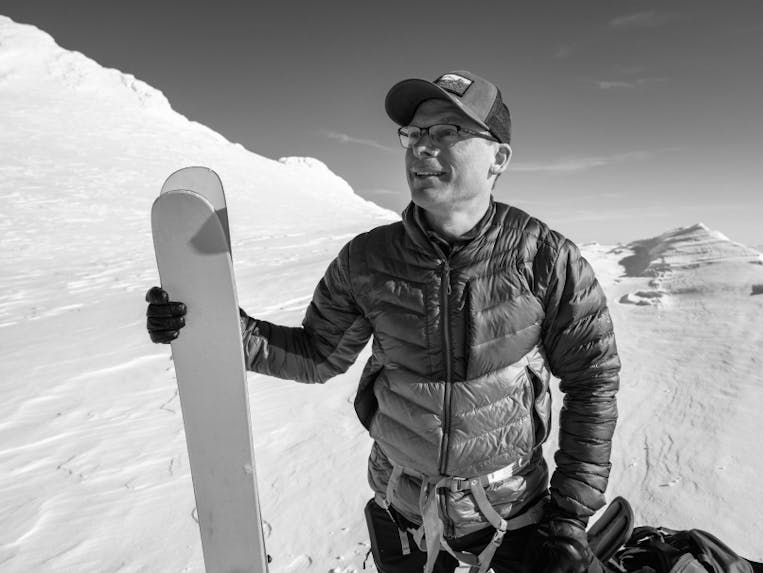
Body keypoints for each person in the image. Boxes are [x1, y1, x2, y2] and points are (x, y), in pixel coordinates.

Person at [146, 70, 620, 573]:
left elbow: (594, 380)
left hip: (513, 515)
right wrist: (218, 327)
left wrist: (569, 517)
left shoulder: (545, 258)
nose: (420, 149)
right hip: (403, 510)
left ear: (498, 158)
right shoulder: (368, 260)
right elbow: (318, 355)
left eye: (447, 132)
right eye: (413, 134)